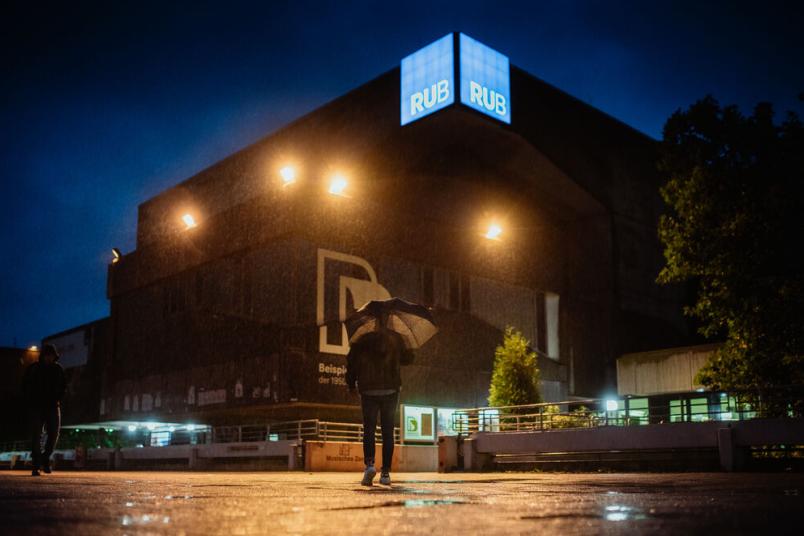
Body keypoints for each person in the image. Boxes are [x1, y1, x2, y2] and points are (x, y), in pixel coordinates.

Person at [346, 314, 414, 486]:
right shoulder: (395, 338)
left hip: (368, 389)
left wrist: (351, 384)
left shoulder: (362, 340)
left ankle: (369, 465)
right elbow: (408, 359)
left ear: (371, 322)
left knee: (369, 429)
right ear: (388, 320)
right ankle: (385, 473)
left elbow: (351, 362)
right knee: (387, 431)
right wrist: (405, 344)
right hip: (390, 390)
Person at [22, 344, 66, 476]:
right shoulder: (34, 368)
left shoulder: (58, 369)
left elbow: (64, 385)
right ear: (43, 356)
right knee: (36, 435)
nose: (49, 358)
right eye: (47, 355)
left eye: (51, 356)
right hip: (37, 406)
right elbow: (25, 385)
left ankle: (45, 458)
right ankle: (36, 463)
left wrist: (59, 397)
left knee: (53, 434)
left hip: (53, 405)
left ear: (54, 356)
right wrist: (29, 399)